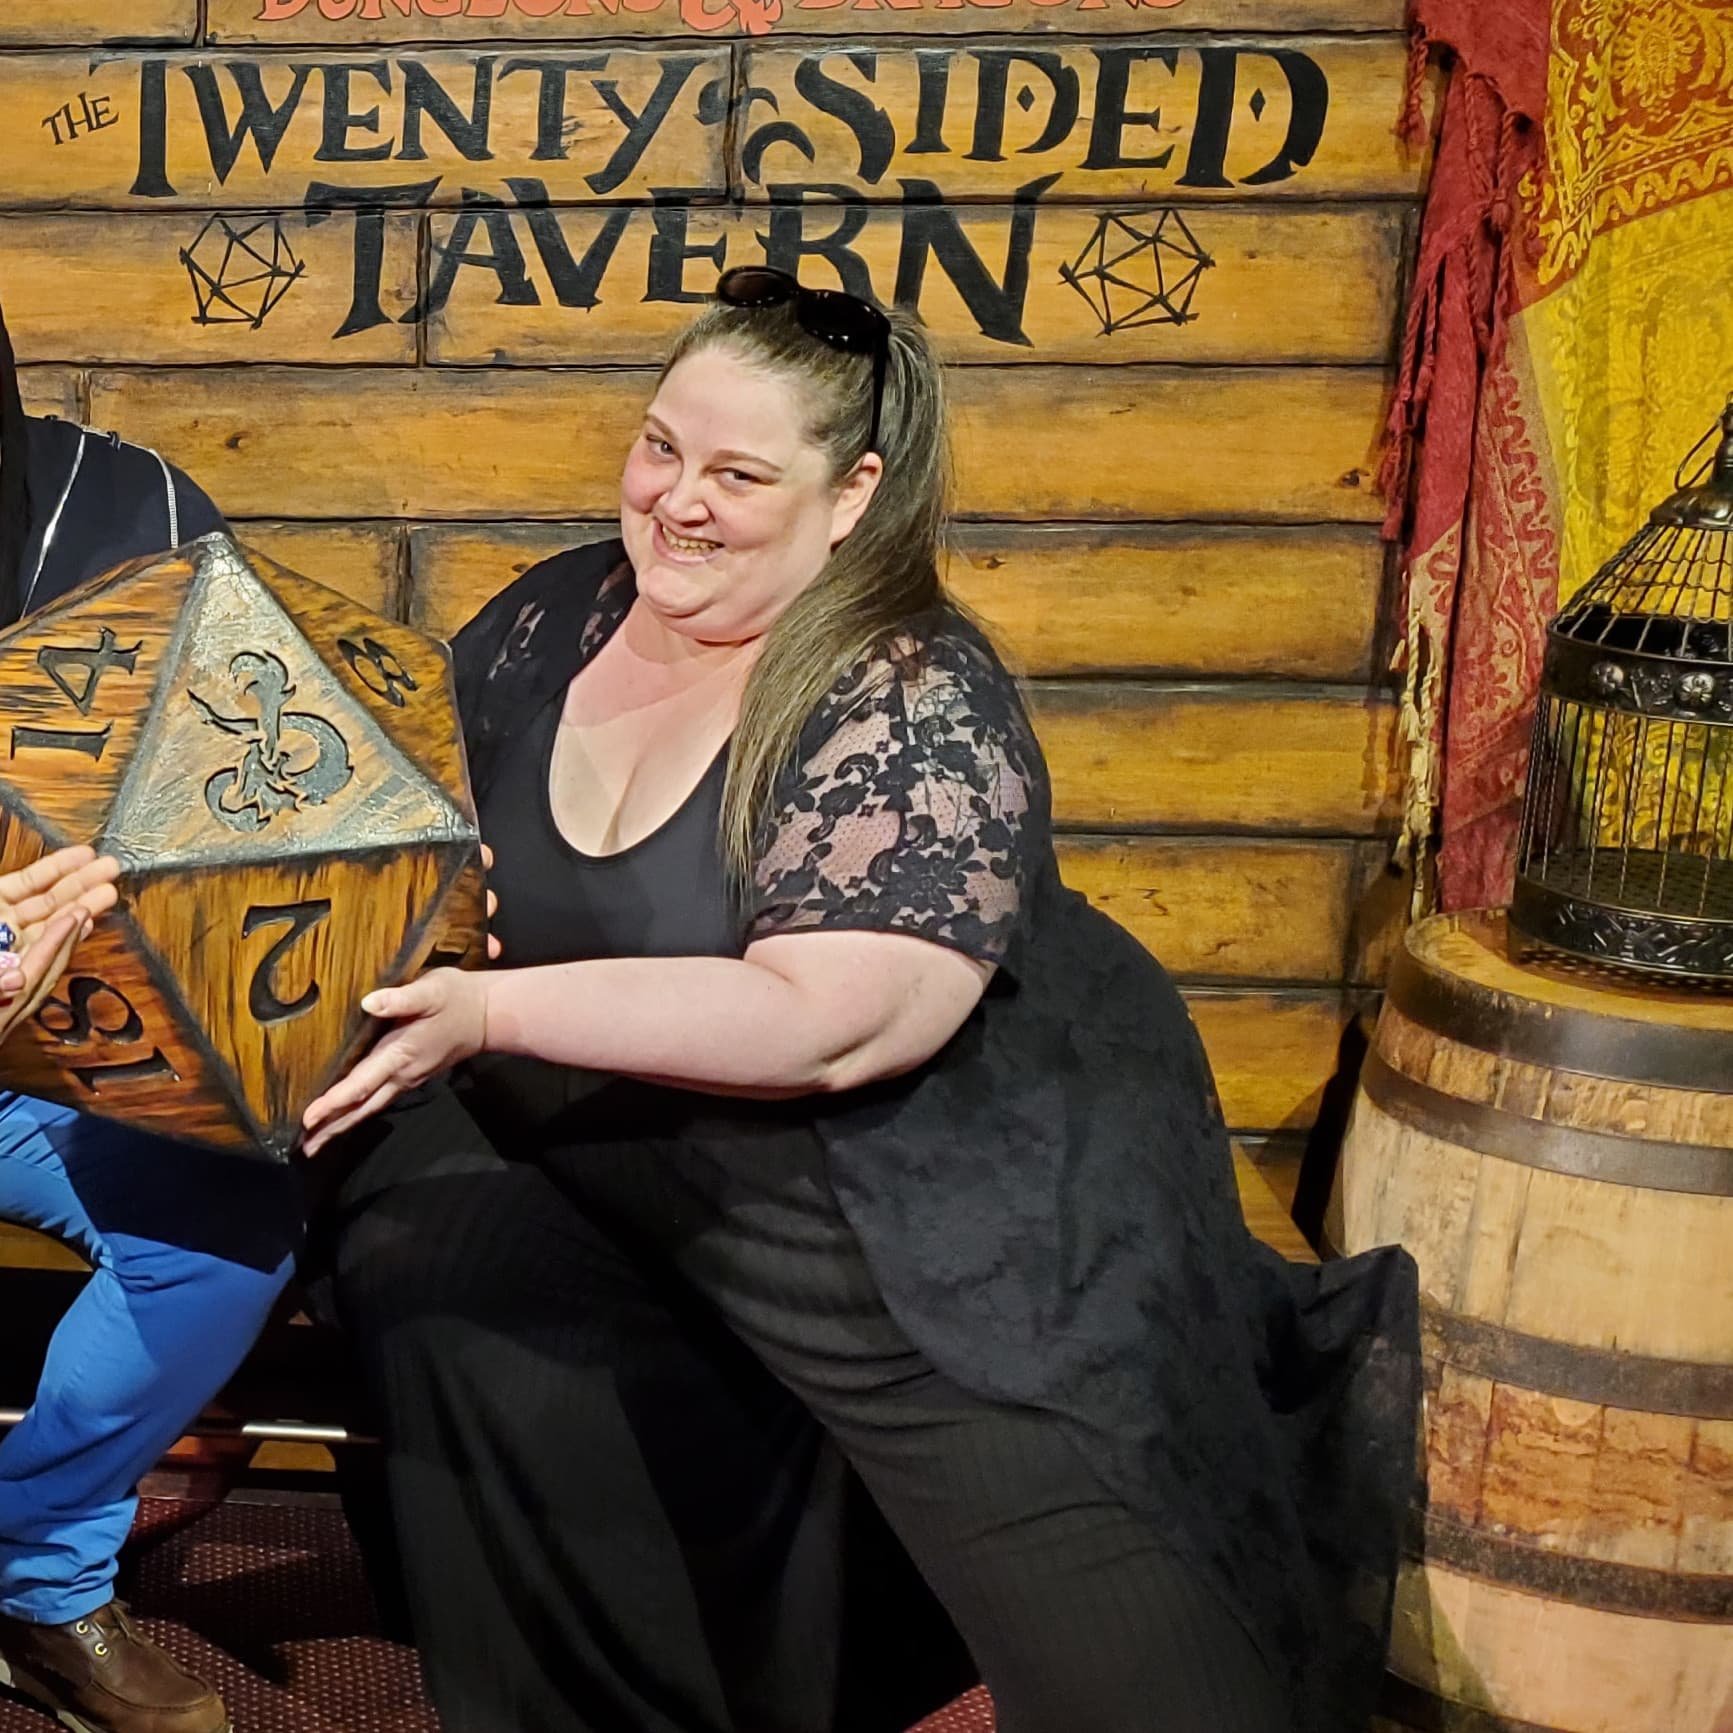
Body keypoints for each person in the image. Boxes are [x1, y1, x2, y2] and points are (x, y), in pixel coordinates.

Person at [305, 268, 1421, 1733]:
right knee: (437, 1271)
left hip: (925, 1212)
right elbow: (394, 834)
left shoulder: (911, 694)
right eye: (660, 447)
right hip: (619, 1147)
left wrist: (495, 1012)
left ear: (853, 494)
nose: (677, 501)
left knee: (1149, 1675)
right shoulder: (554, 616)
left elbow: (832, 1021)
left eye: (738, 474)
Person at [0, 300, 304, 1733]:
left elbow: (246, 796)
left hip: (65, 1038)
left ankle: (36, 1572)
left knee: (223, 1227)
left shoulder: (131, 508)